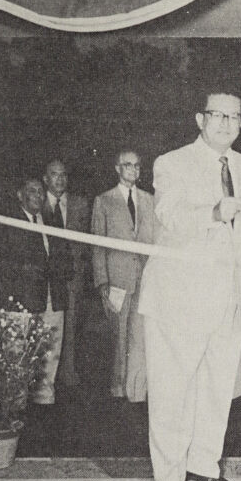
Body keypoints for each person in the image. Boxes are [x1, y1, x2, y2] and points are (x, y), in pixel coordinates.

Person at [138, 88, 241, 481]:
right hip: (180, 297)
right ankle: (169, 475)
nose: (227, 124)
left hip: (228, 297)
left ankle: (205, 463)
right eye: (218, 115)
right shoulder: (172, 163)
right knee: (174, 387)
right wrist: (212, 213)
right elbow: (168, 214)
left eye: (235, 117)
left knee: (217, 384)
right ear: (199, 119)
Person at [0, 176, 70, 406]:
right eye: (32, 191)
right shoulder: (9, 223)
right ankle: (15, 411)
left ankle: (45, 409)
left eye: (40, 192)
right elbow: (3, 264)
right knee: (17, 358)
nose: (37, 196)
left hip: (51, 299)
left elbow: (63, 257)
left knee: (50, 356)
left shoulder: (50, 221)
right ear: (20, 195)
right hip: (23, 302)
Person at [91, 149, 155, 403]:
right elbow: (97, 244)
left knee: (140, 335)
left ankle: (136, 389)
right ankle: (117, 388)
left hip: (145, 278)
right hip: (117, 279)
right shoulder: (104, 201)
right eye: (127, 165)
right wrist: (102, 281)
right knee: (118, 336)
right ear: (117, 168)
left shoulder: (149, 199)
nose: (133, 170)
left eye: (137, 166)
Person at [41, 158, 90, 389]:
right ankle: (41, 380)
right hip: (45, 278)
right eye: (54, 174)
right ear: (45, 178)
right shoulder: (37, 203)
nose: (59, 179)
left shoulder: (80, 204)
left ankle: (67, 376)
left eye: (63, 174)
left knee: (71, 328)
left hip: (72, 278)